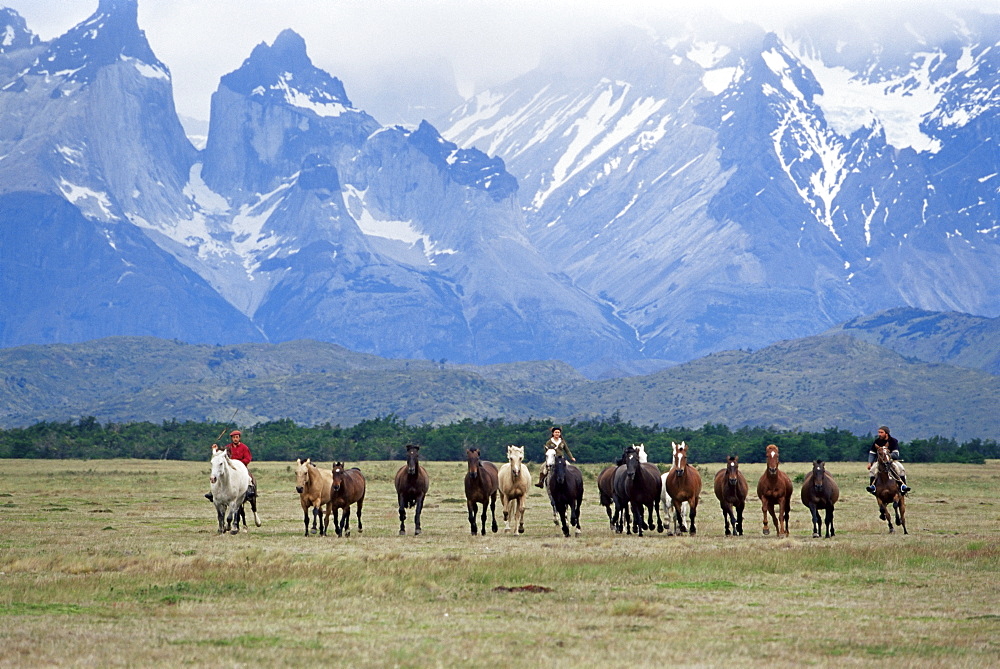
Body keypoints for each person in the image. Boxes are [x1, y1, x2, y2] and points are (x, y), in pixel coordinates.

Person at [205, 430, 256, 501]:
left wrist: (239, 463)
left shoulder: (244, 447)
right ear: (232, 438)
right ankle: (213, 492)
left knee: (249, 477)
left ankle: (249, 490)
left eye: (237, 437)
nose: (235, 439)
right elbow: (220, 455)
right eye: (234, 437)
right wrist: (216, 449)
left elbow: (248, 458)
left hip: (241, 467)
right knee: (219, 476)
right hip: (230, 467)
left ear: (239, 438)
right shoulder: (228, 447)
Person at [866, 426, 910, 495]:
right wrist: (870, 462)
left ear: (886, 433)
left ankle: (903, 486)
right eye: (879, 432)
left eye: (881, 432)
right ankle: (873, 487)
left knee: (901, 469)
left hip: (892, 461)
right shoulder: (877, 441)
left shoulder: (893, 441)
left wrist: (887, 456)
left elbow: (896, 454)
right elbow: (872, 453)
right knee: (872, 470)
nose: (879, 434)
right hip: (880, 462)